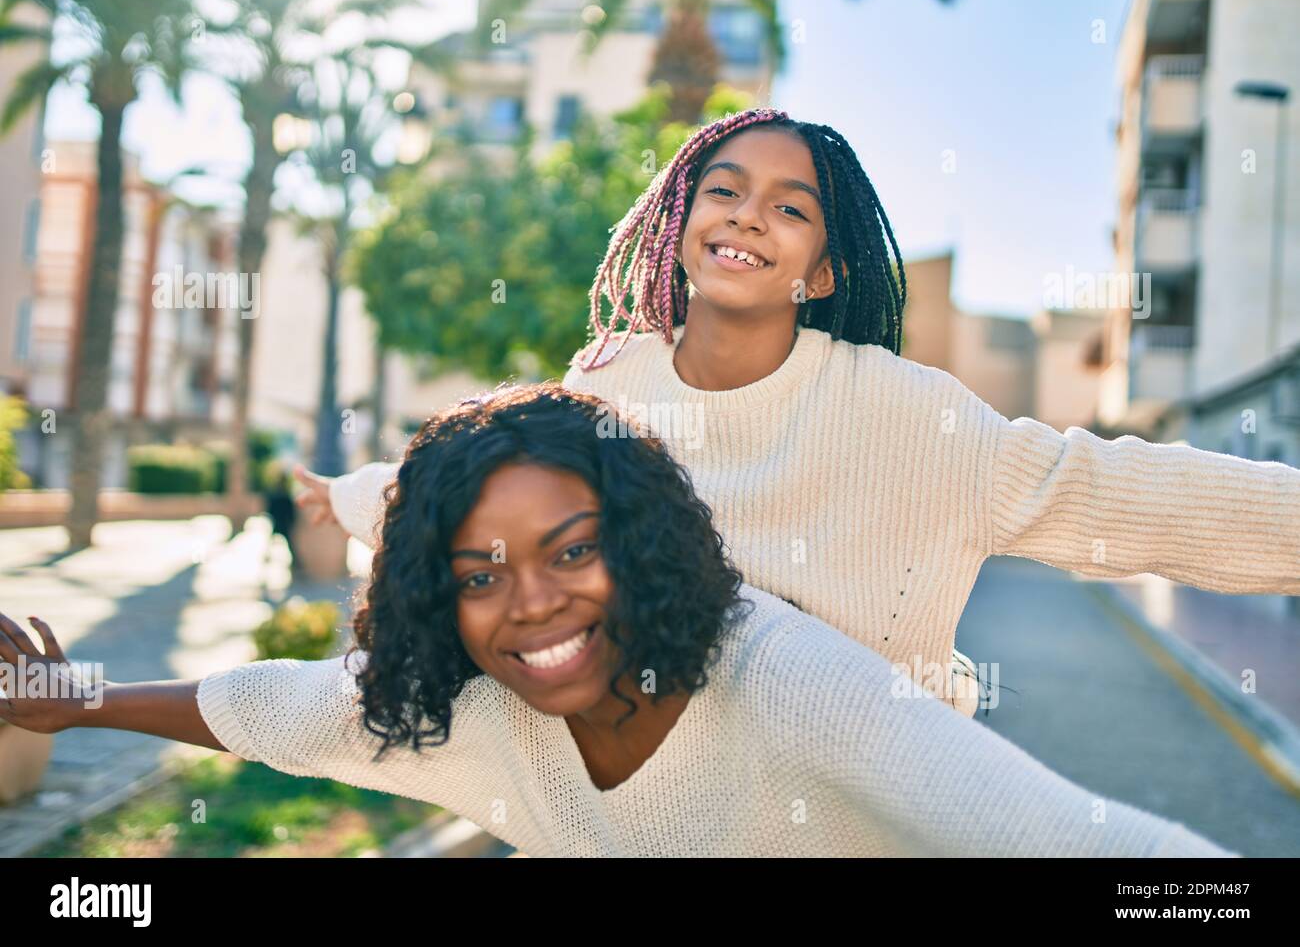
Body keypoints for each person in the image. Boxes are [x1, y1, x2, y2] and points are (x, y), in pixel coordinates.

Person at [297, 107, 1300, 720]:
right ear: (679, 226)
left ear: (823, 271)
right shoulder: (604, 390)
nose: (743, 214)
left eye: (788, 206)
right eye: (722, 190)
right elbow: (471, 493)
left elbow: (1107, 489)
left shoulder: (904, 414)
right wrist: (339, 499)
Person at [0, 385, 1236, 857]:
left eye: (573, 552)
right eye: (480, 573)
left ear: (640, 546)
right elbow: (282, 709)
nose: (530, 603)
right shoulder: (475, 709)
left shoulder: (785, 680)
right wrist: (82, 699)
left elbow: (1078, 840)